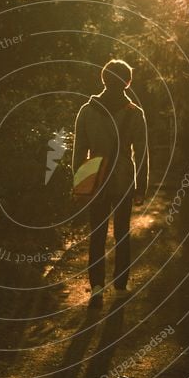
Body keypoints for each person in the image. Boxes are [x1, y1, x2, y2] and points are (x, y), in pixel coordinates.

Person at [72, 59, 149, 308]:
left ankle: (96, 287)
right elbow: (142, 153)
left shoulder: (86, 110)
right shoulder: (135, 113)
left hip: (96, 180)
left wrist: (79, 183)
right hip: (124, 179)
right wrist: (141, 187)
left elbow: (79, 151)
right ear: (128, 81)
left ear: (103, 79)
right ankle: (120, 285)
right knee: (122, 232)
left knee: (97, 233)